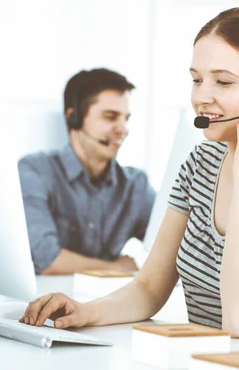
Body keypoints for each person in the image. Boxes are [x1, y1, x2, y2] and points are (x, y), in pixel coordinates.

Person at [20, 8, 239, 350]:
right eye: (196, 79)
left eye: (223, 81)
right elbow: (149, 287)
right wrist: (84, 312)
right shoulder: (201, 164)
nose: (201, 97)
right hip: (212, 361)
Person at [18, 68, 156, 275]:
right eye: (111, 117)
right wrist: (114, 268)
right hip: (46, 303)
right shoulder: (35, 172)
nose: (123, 129)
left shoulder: (136, 184)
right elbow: (47, 259)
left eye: (126, 119)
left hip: (103, 305)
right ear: (74, 118)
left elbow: (173, 244)